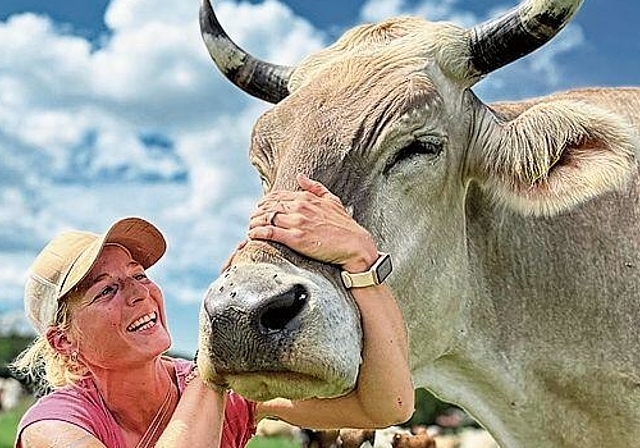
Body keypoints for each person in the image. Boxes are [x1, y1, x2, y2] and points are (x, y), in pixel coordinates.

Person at [12, 174, 414, 448]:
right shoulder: (54, 426)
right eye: (107, 290)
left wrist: (362, 262)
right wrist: (222, 347)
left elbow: (387, 406)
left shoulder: (228, 394)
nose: (140, 293)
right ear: (64, 342)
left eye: (139, 275)